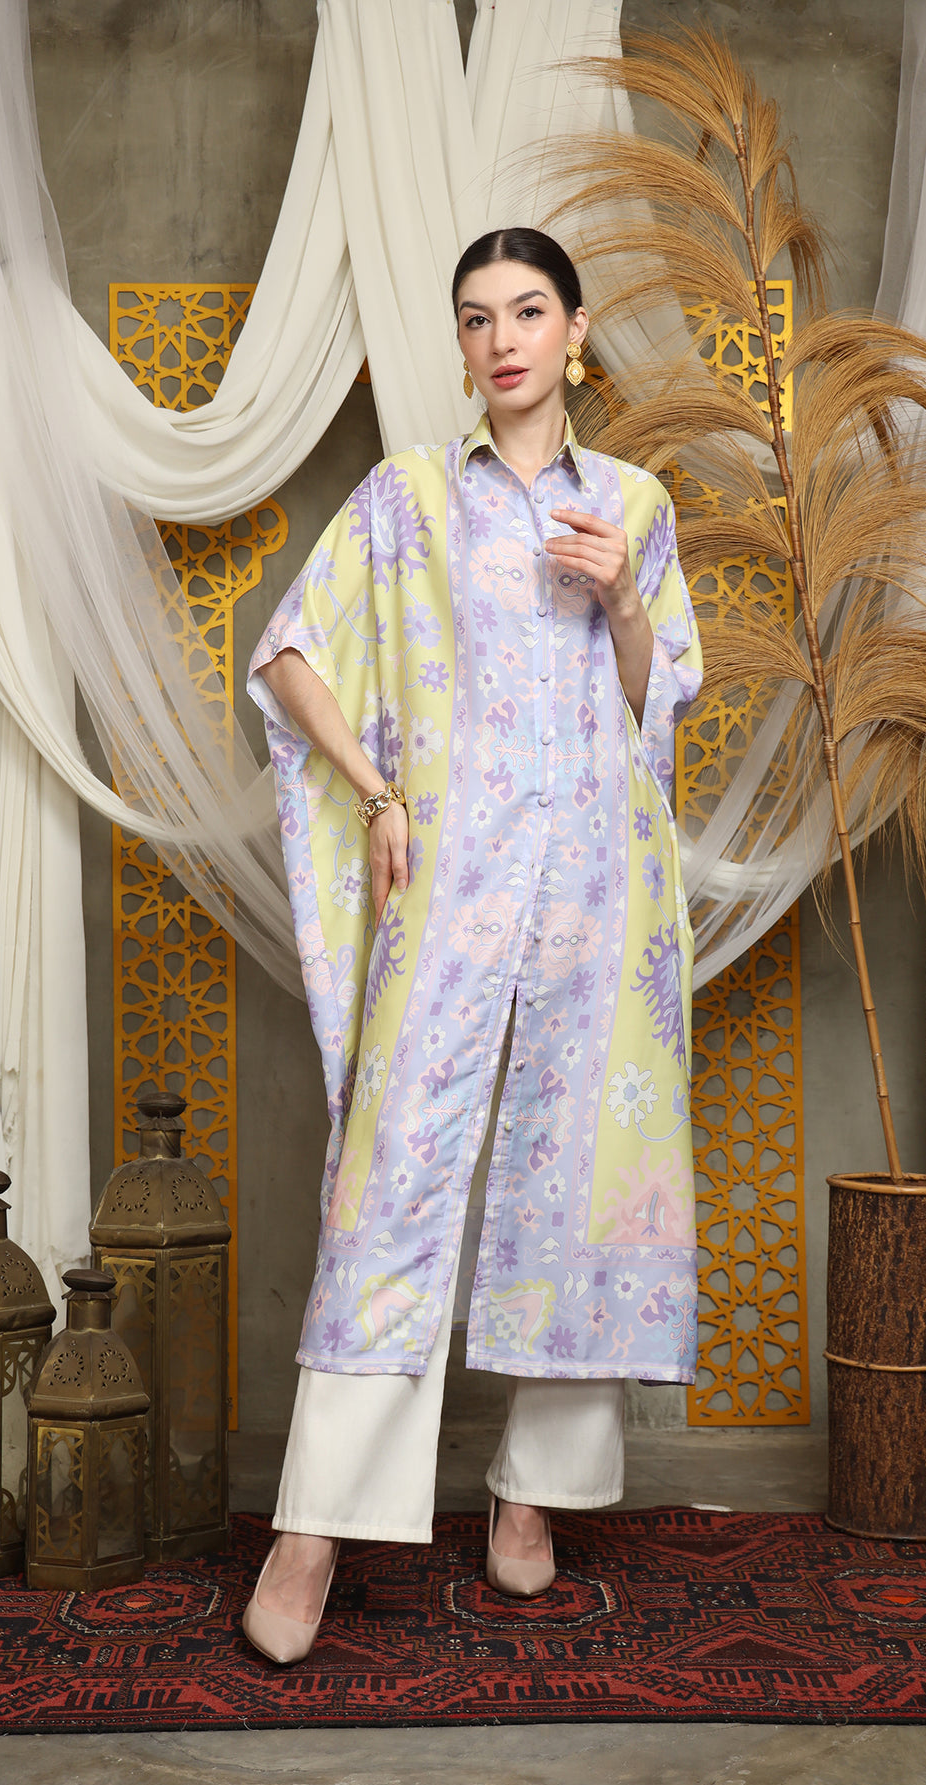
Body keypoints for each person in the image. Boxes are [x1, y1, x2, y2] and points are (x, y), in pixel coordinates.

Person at [244, 227, 702, 1665]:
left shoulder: (635, 503)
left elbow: (656, 709)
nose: (502, 339)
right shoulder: (407, 500)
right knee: (389, 1181)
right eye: (475, 318)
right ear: (459, 346)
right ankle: (314, 1525)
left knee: (578, 1175)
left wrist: (620, 594)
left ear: (575, 332)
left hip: (597, 898)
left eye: (527, 311)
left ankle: (533, 1491)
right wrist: (377, 793)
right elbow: (289, 650)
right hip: (450, 893)